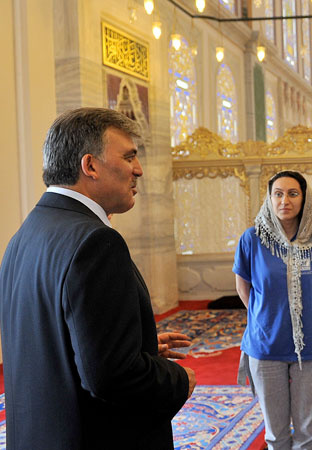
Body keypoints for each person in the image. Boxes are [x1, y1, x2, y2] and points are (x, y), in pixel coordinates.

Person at [0, 107, 196, 450]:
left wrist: (134, 344)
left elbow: (50, 343)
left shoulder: (25, 234)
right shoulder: (97, 242)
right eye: (129, 156)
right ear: (90, 166)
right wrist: (179, 380)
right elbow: (112, 377)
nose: (138, 170)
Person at [234, 170, 312, 450]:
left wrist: (306, 311)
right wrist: (266, 315)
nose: (284, 200)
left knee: (307, 432)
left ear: (304, 198)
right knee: (275, 433)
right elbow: (243, 287)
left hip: (311, 342)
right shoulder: (252, 238)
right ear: (269, 198)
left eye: (293, 193)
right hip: (266, 344)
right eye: (277, 194)